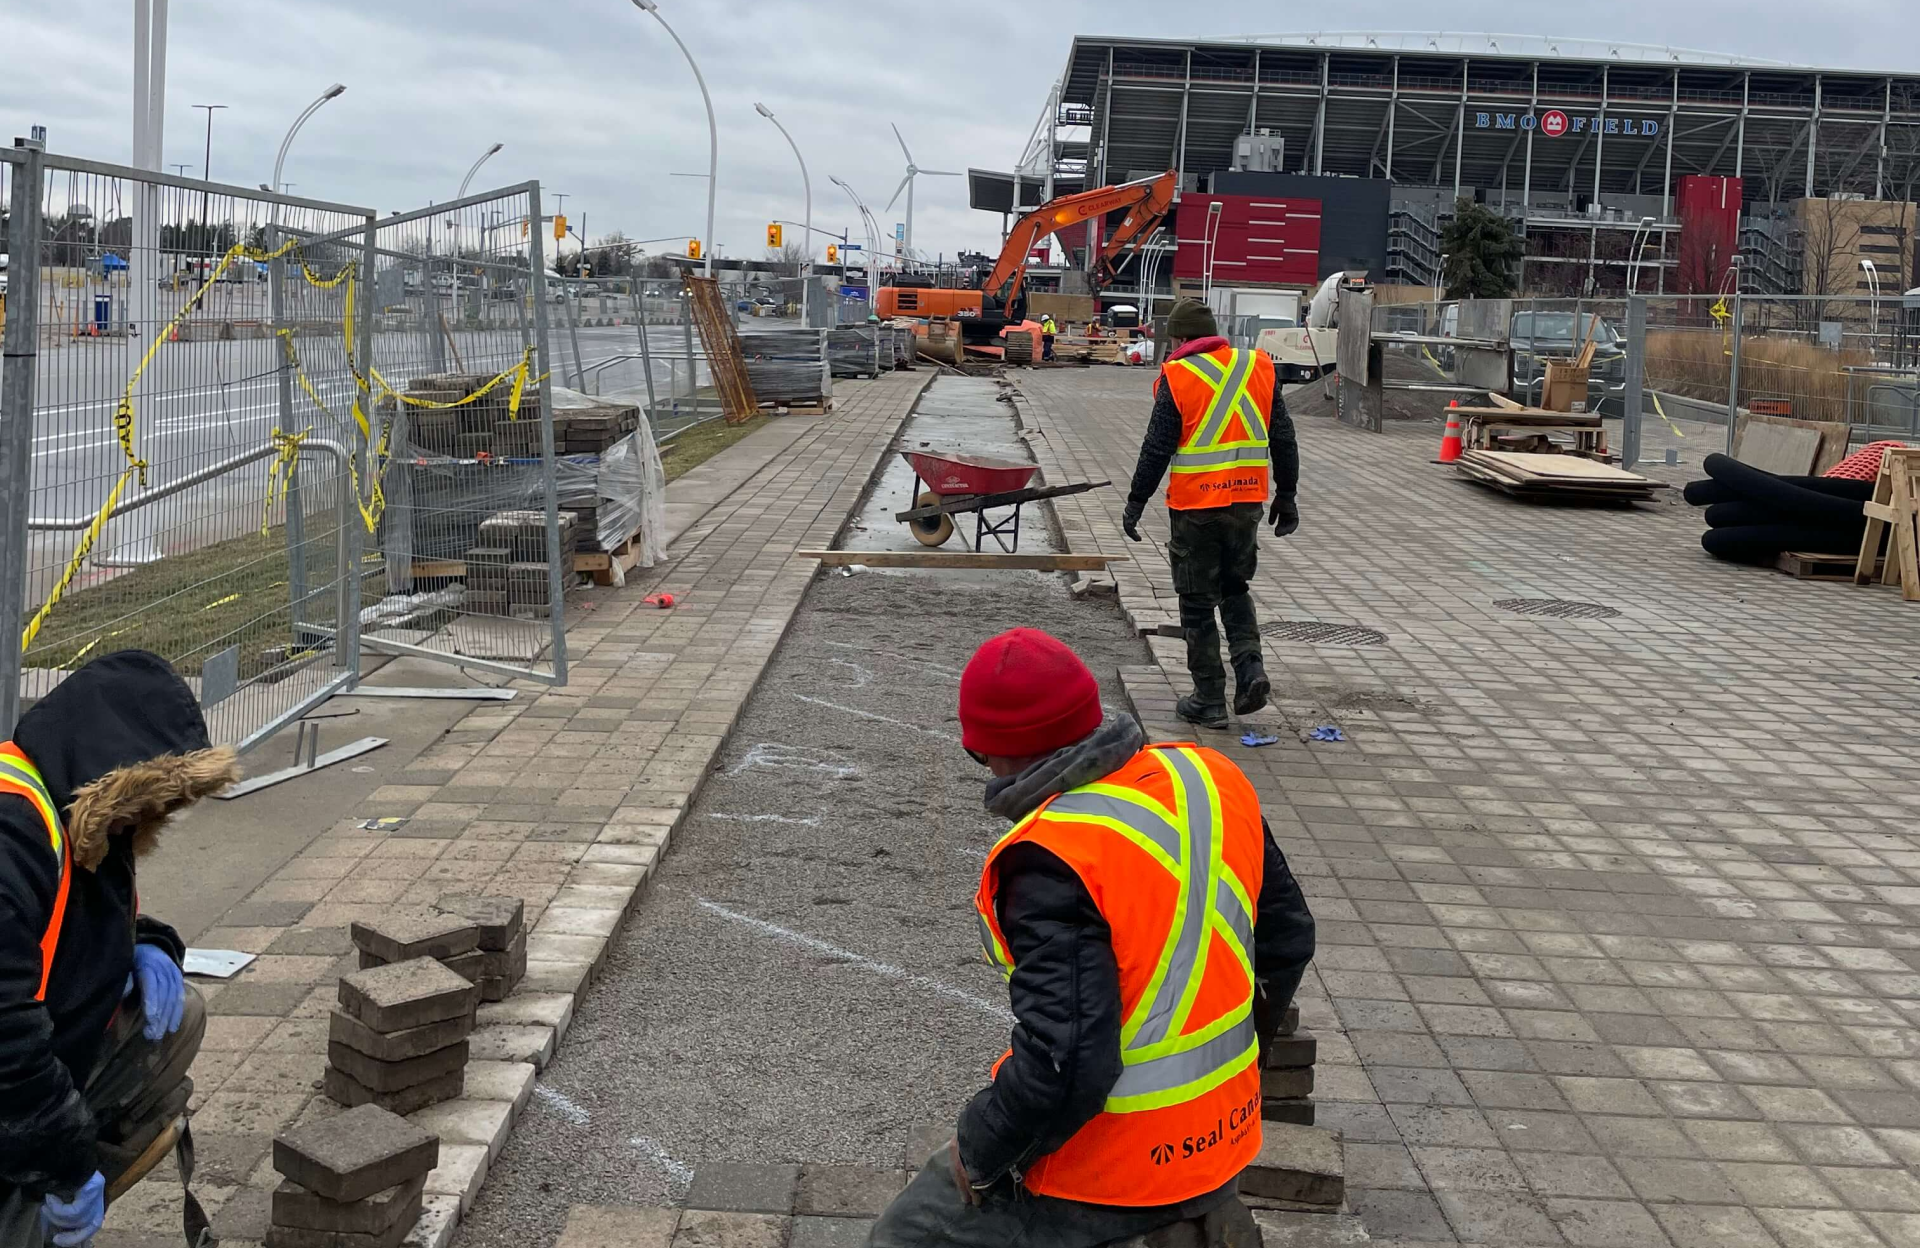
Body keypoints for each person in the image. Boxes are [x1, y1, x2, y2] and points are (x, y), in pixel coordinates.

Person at [869, 628, 1316, 1248]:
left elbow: (1067, 1063)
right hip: (1224, 1139)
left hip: (1110, 1174)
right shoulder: (1209, 778)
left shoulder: (1053, 856)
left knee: (908, 1233)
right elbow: (1288, 940)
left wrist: (979, 1149)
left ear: (1001, 753)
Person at [0, 651, 239, 1246]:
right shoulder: (12, 834)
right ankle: (33, 1197)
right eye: (148, 802)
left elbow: (85, 921)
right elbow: (5, 1033)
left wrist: (149, 944)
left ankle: (51, 1177)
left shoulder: (76, 807)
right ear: (115, 773)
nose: (152, 819)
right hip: (8, 1075)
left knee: (178, 1013)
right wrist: (64, 1162)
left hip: (24, 1069)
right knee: (41, 1179)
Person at [1121, 299, 1298, 729]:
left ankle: (1208, 698)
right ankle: (1251, 670)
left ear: (1180, 339)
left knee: (1197, 604)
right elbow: (1283, 436)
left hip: (1195, 509)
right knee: (1235, 589)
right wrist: (1287, 494)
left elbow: (1156, 447)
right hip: (1246, 504)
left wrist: (1136, 502)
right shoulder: (1256, 366)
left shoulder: (1178, 376)